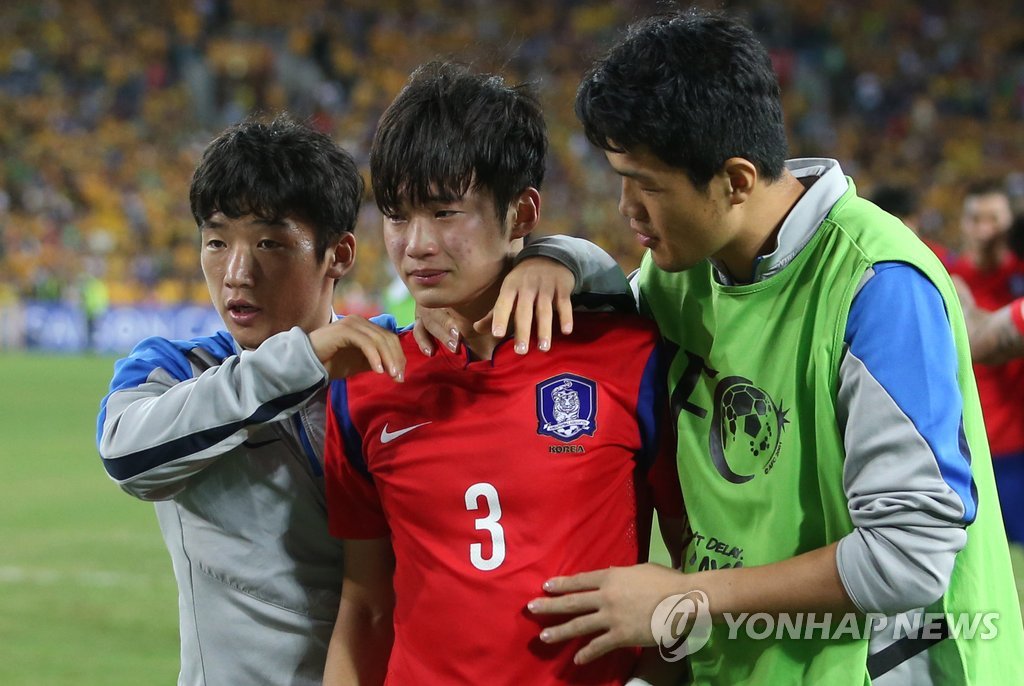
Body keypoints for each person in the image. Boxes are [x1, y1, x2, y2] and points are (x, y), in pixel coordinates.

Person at [523, 9, 1024, 685]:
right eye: (619, 179)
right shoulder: (684, 273)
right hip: (750, 664)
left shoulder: (877, 286)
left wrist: (682, 597)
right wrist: (555, 255)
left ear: (734, 181)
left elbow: (908, 555)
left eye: (646, 186)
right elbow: (611, 306)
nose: (625, 209)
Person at [96, 114, 621, 686]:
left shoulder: (390, 363)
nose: (236, 273)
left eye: (270, 242)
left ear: (339, 255)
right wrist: (299, 360)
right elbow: (127, 456)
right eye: (217, 242)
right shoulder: (177, 370)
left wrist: (560, 256)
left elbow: (622, 306)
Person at [321, 62, 684, 686]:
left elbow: (692, 565)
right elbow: (366, 604)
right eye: (398, 215)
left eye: (443, 212)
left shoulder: (629, 356)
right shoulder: (363, 387)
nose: (416, 245)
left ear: (521, 214)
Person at [944, 182, 1024, 545]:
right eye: (975, 219)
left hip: (1019, 449)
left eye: (994, 219)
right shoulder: (947, 278)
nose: (984, 229)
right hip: (972, 451)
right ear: (962, 223)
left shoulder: (1018, 276)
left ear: (1009, 223)